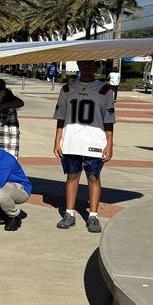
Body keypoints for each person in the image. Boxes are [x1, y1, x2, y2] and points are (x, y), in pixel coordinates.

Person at [53, 59, 115, 233]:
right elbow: (61, 116)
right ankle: (69, 213)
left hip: (95, 141)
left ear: (96, 67)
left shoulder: (104, 90)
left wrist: (109, 143)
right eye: (83, 63)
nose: (87, 67)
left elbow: (108, 119)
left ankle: (93, 216)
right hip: (71, 141)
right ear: (78, 65)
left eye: (90, 64)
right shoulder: (67, 88)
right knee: (72, 176)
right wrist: (57, 140)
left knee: (93, 177)